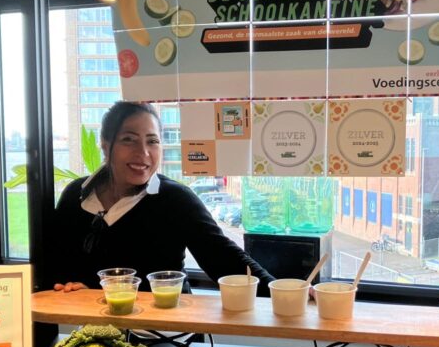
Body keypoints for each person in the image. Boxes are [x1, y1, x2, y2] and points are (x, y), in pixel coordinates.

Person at [49, 101, 275, 294]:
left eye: (152, 141)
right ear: (106, 147)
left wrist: (284, 294)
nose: (144, 152)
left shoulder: (175, 199)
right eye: (129, 139)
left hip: (166, 334)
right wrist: (74, 288)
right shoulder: (76, 196)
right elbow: (58, 265)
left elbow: (225, 259)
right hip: (97, 329)